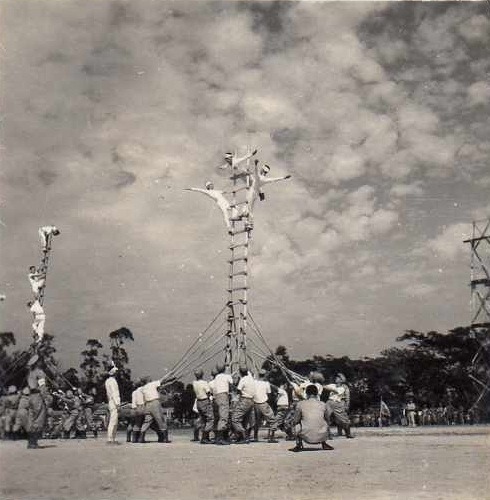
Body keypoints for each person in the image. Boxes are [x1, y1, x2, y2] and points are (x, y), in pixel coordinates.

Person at [244, 160, 291, 229]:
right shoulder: (265, 179)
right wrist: (284, 178)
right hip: (256, 194)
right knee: (251, 208)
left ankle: (248, 222)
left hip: (252, 192)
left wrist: (256, 164)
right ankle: (249, 223)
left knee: (248, 208)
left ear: (263, 170)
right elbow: (274, 179)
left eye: (261, 169)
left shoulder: (259, 177)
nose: (260, 170)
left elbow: (256, 173)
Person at [290, 384, 334, 452]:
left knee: (295, 423)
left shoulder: (300, 404)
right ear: (317, 393)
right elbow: (328, 418)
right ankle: (324, 443)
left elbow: (296, 420)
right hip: (321, 436)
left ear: (306, 393)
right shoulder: (323, 404)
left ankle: (298, 444)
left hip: (306, 437)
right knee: (324, 421)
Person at [26, 354, 48, 449]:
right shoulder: (40, 373)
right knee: (39, 418)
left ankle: (30, 442)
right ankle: (34, 442)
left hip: (30, 396)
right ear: (38, 362)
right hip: (38, 396)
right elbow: (42, 387)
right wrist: (46, 398)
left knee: (31, 418)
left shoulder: (30, 373)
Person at [140, 378, 170, 443]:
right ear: (148, 381)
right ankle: (165, 439)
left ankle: (141, 438)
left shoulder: (143, 388)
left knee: (147, 420)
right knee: (160, 419)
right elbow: (163, 380)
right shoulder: (152, 384)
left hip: (147, 404)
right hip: (155, 403)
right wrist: (170, 376)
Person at [324, 373, 354, 439]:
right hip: (329, 402)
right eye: (336, 378)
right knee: (326, 418)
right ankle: (328, 434)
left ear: (341, 380)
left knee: (344, 419)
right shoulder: (333, 385)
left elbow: (347, 397)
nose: (336, 379)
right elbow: (325, 387)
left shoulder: (344, 387)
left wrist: (347, 405)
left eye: (338, 378)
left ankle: (348, 433)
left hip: (338, 403)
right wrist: (331, 389)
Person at [231, 366, 256, 444]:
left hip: (245, 400)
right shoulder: (251, 378)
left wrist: (232, 386)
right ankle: (242, 437)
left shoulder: (243, 380)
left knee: (235, 419)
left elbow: (238, 391)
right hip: (251, 401)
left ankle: (243, 436)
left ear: (241, 373)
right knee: (245, 420)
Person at [253, 369, 278, 443]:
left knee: (256, 421)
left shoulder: (254, 382)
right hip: (263, 403)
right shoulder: (266, 383)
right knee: (272, 420)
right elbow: (269, 394)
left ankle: (255, 437)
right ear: (265, 375)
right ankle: (272, 437)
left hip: (255, 403)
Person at [212, 364, 233, 445]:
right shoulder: (226, 376)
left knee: (220, 417)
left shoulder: (216, 377)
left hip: (217, 397)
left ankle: (221, 436)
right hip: (223, 396)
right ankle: (220, 438)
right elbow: (232, 382)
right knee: (224, 417)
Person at [192, 369, 214, 444]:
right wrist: (211, 399)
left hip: (198, 402)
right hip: (204, 401)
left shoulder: (194, 383)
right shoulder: (204, 383)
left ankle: (205, 437)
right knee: (211, 419)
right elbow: (208, 392)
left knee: (203, 420)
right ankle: (205, 436)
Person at [105, 365, 121, 445]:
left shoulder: (107, 381)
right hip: (114, 402)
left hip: (111, 402)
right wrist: (117, 404)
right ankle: (110, 439)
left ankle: (112, 439)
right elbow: (115, 393)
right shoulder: (113, 381)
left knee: (114, 421)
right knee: (113, 421)